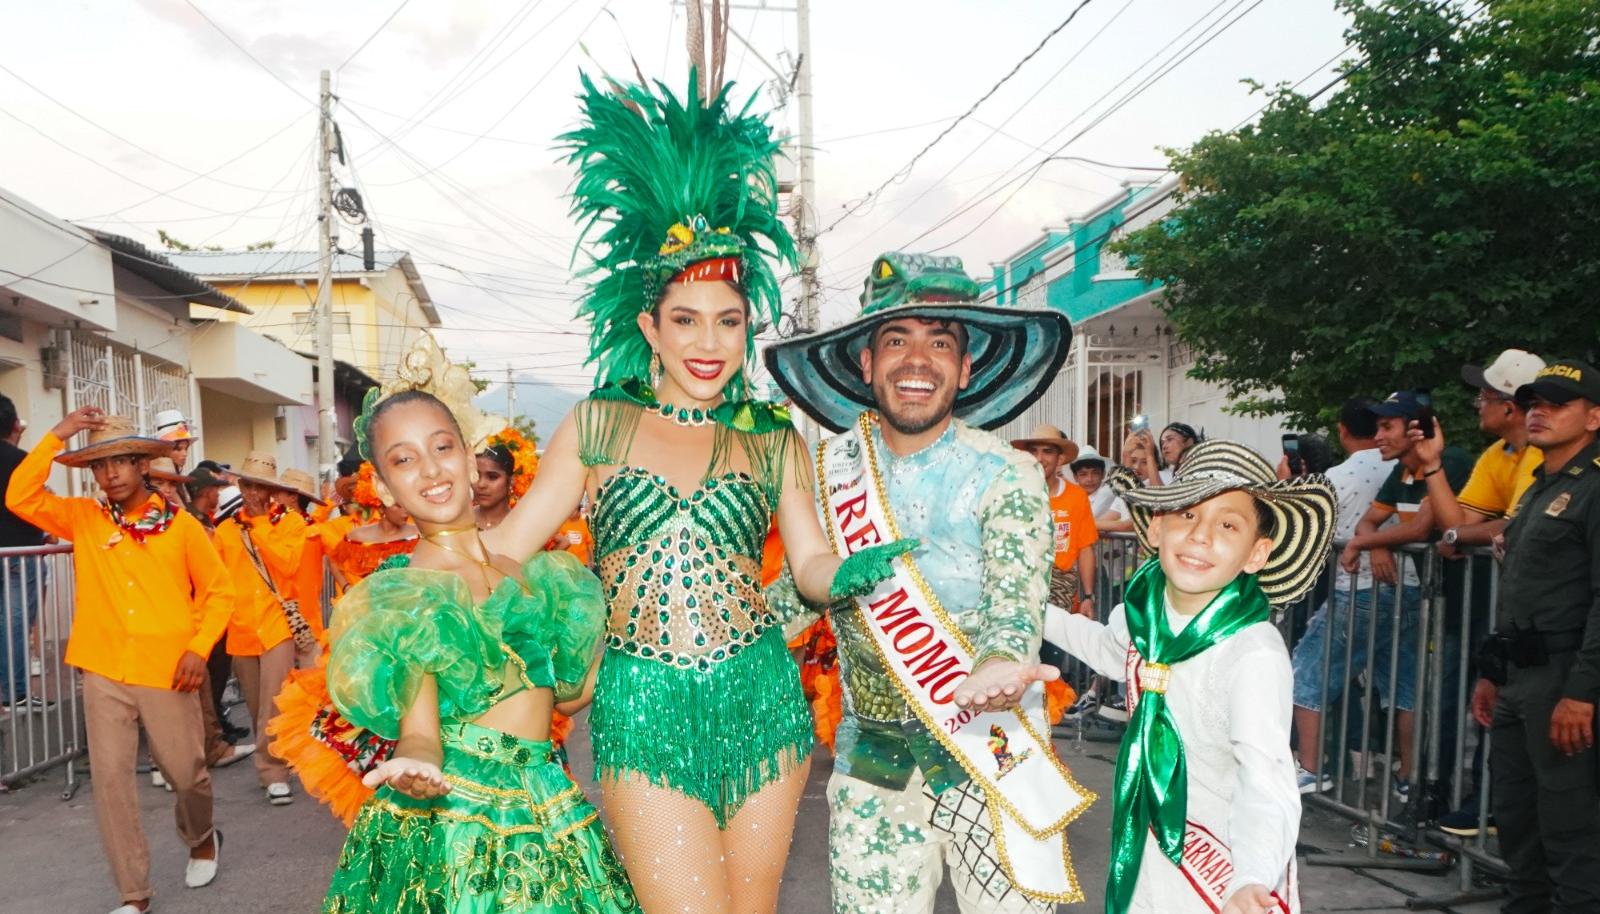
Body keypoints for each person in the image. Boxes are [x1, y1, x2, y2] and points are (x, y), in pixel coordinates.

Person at [479, 72, 912, 914]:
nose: (709, 342)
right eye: (686, 319)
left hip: (761, 700)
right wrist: (426, 607)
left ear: (749, 326)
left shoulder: (770, 435)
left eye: (728, 320)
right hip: (641, 703)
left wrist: (848, 572)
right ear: (650, 327)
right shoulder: (596, 424)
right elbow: (504, 551)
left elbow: (812, 561)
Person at [766, 251, 1091, 912]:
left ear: (966, 366)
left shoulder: (1006, 473)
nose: (918, 359)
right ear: (866, 362)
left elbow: (1015, 608)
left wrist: (998, 665)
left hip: (990, 756)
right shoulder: (828, 474)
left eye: (940, 342)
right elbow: (785, 608)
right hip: (872, 776)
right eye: (896, 340)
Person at [317, 336, 639, 914]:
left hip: (548, 795)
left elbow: (565, 698)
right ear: (384, 488)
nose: (431, 469)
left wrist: (627, 630)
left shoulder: (534, 573)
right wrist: (418, 763)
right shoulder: (408, 596)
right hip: (466, 820)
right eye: (404, 458)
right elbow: (419, 731)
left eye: (442, 447)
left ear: (470, 458)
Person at [1047, 440, 1332, 914]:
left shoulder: (1252, 651)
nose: (1201, 536)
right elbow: (1109, 650)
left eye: (1227, 524)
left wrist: (1253, 874)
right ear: (1157, 527)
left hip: (1223, 861)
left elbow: (1266, 777)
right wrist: (1031, 614)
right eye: (1187, 515)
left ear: (1256, 553)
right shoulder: (1143, 616)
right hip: (1147, 839)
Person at [5, 409, 232, 914]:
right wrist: (59, 434)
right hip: (102, 665)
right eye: (99, 466)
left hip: (168, 666)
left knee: (186, 772)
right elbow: (18, 496)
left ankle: (202, 838)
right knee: (110, 781)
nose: (109, 475)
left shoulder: (182, 528)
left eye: (120, 463)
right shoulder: (83, 518)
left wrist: (198, 648)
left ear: (141, 466)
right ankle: (134, 893)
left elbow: (219, 593)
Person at [1468, 359, 1600, 912]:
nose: (1538, 412)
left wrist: (1582, 692)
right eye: (1533, 403)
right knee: (1518, 822)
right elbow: (1523, 591)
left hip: (1564, 677)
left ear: (1594, 417)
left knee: (1571, 829)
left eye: (1556, 403)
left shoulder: (1593, 488)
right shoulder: (1539, 487)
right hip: (1519, 677)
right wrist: (1493, 672)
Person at [1337, 391, 1472, 798]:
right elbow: (1368, 522)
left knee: (1446, 700)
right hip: (1435, 598)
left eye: (1387, 427)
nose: (1378, 435)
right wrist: (1375, 543)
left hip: (1469, 599)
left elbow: (1422, 530)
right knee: (1412, 690)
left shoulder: (1452, 463)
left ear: (1418, 430)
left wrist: (1368, 543)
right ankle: (1415, 784)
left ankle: (1434, 791)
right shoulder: (1400, 470)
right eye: (1377, 426)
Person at [1289, 398, 1395, 792]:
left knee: (1305, 671)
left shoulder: (1339, 475)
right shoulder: (1405, 468)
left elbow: (1308, 527)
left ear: (1343, 430)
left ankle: (1312, 768)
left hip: (1358, 587)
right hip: (1411, 588)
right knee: (1401, 686)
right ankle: (1408, 780)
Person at [214, 452, 318, 806]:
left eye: (260, 486)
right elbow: (217, 579)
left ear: (272, 490)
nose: (253, 492)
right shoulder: (226, 530)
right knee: (258, 703)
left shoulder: (290, 524)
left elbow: (288, 565)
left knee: (273, 703)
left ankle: (273, 771)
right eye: (248, 484)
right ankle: (276, 761)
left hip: (278, 625)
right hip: (241, 627)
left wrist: (259, 526)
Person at [1011, 424, 1099, 615]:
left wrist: (1088, 597)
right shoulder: (1014, 494)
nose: (1039, 459)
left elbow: (1085, 549)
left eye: (1047, 452)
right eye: (1034, 452)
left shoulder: (1076, 497)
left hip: (1062, 601)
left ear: (1060, 459)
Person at [0, 393, 48, 712]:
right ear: (15, 425)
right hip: (21, 551)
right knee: (15, 624)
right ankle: (15, 693)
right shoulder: (22, 461)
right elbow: (39, 504)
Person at [473, 426, 537, 531]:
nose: (481, 484)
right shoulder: (459, 523)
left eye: (492, 477)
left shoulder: (523, 528)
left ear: (511, 480)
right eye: (476, 475)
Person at [1074, 445, 1132, 533]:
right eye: (1083, 474)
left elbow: (1086, 522)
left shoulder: (1107, 491)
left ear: (1103, 475)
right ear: (1075, 477)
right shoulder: (1076, 495)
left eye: (1095, 473)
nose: (1090, 479)